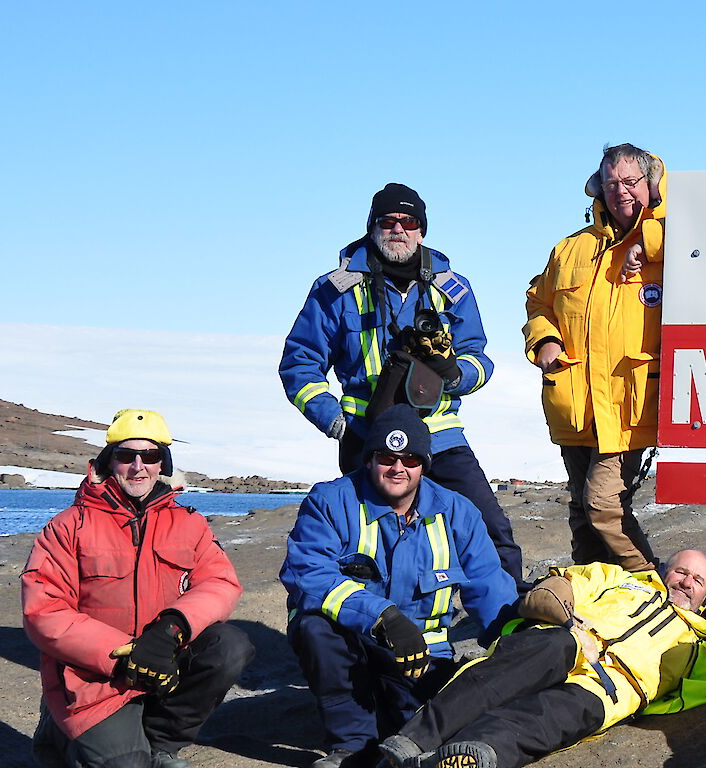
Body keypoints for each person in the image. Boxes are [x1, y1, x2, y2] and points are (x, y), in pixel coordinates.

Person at [280, 182, 524, 587]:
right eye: (387, 221)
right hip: (365, 434)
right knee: (366, 542)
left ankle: (511, 625)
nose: (398, 229)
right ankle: (375, 627)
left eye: (408, 221)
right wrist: (334, 421)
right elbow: (299, 362)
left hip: (438, 433)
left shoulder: (452, 288)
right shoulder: (334, 289)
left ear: (422, 230)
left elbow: (479, 357)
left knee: (490, 527)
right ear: (372, 228)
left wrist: (455, 374)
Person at [281, 405, 519, 768]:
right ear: (368, 459)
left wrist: (516, 646)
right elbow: (307, 574)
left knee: (429, 726)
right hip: (352, 645)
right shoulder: (329, 501)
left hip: (421, 657)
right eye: (386, 457)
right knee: (314, 626)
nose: (398, 468)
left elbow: (490, 590)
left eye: (410, 459)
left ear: (424, 464)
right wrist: (384, 617)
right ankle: (350, 748)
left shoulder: (459, 512)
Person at [374, 549, 706, 768]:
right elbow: (550, 591)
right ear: (664, 571)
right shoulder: (618, 577)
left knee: (548, 718)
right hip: (560, 644)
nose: (686, 583)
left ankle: (462, 759)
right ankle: (410, 742)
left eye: (699, 581)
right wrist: (572, 628)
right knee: (525, 663)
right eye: (681, 571)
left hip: (606, 690)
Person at [24, 410, 251, 768]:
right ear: (108, 461)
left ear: (164, 463)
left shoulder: (189, 523)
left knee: (229, 646)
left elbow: (219, 582)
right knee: (125, 764)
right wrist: (123, 652)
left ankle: (160, 744)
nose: (138, 466)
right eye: (126, 456)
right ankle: (59, 732)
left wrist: (172, 628)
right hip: (96, 677)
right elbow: (45, 611)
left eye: (150, 456)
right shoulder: (68, 526)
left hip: (162, 662)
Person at [524, 144, 668, 573]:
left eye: (630, 182)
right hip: (573, 401)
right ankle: (592, 593)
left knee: (602, 505)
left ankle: (653, 586)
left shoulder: (675, 242)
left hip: (630, 403)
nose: (621, 192)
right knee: (581, 512)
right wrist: (544, 342)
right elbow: (538, 303)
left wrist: (651, 240)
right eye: (611, 183)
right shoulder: (570, 249)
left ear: (650, 184)